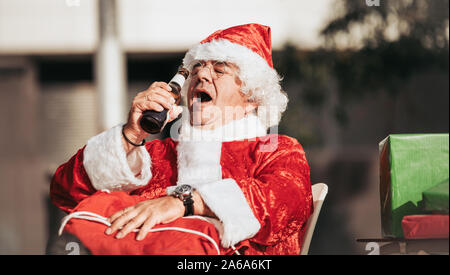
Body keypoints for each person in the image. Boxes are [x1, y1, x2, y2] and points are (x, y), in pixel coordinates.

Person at [50, 23, 313, 255]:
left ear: (252, 99)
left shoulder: (276, 150)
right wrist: (131, 134)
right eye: (197, 67)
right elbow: (66, 192)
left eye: (219, 69)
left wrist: (184, 202)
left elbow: (286, 201)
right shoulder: (157, 154)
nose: (202, 74)